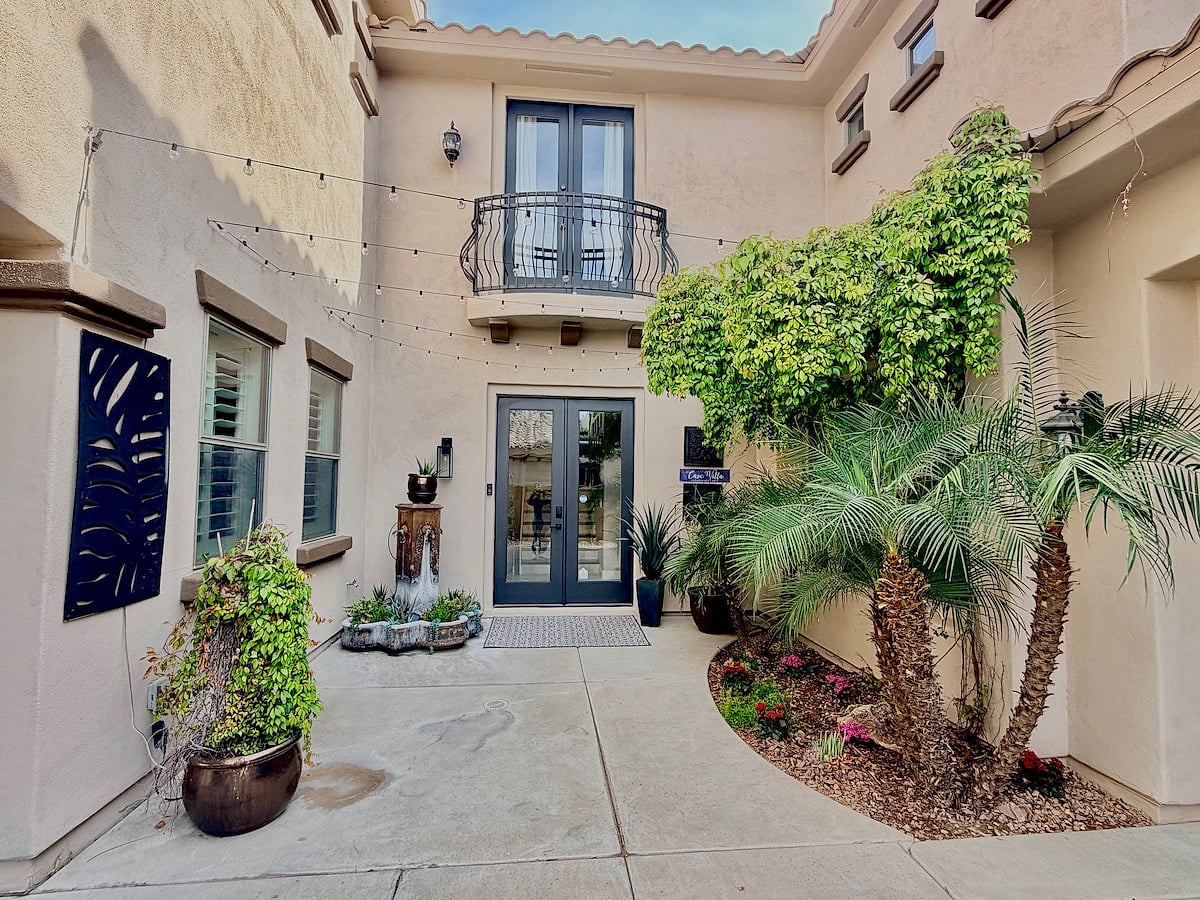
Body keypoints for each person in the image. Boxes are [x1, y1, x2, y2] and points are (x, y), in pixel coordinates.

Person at [528, 489, 550, 555]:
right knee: (538, 535)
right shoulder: (538, 501)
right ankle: (537, 550)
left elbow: (529, 501)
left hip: (538, 520)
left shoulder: (537, 501)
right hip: (539, 520)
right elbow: (529, 501)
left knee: (537, 535)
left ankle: (537, 550)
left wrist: (533, 494)